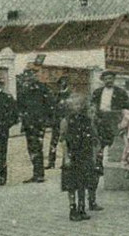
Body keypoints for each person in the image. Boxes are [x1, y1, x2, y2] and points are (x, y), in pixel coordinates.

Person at [60, 93, 100, 221]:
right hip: (72, 155)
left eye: (79, 104)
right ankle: (73, 208)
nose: (77, 106)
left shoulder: (87, 120)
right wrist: (66, 157)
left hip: (85, 154)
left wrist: (93, 156)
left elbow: (93, 139)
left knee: (83, 182)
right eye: (74, 104)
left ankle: (82, 208)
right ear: (69, 106)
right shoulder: (66, 121)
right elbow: (63, 140)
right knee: (71, 184)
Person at [17, 68, 54, 183]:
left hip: (38, 124)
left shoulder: (42, 89)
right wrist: (22, 118)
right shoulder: (23, 89)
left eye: (32, 75)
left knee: (37, 148)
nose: (29, 77)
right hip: (28, 124)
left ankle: (39, 174)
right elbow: (20, 106)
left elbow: (50, 105)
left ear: (36, 76)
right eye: (27, 75)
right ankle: (36, 173)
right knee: (31, 148)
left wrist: (46, 121)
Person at [47, 75, 72, 169]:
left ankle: (65, 161)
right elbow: (53, 108)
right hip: (56, 121)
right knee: (53, 142)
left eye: (64, 82)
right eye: (61, 82)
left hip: (66, 121)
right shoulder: (57, 94)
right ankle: (51, 162)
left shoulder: (69, 94)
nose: (62, 84)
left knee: (65, 142)